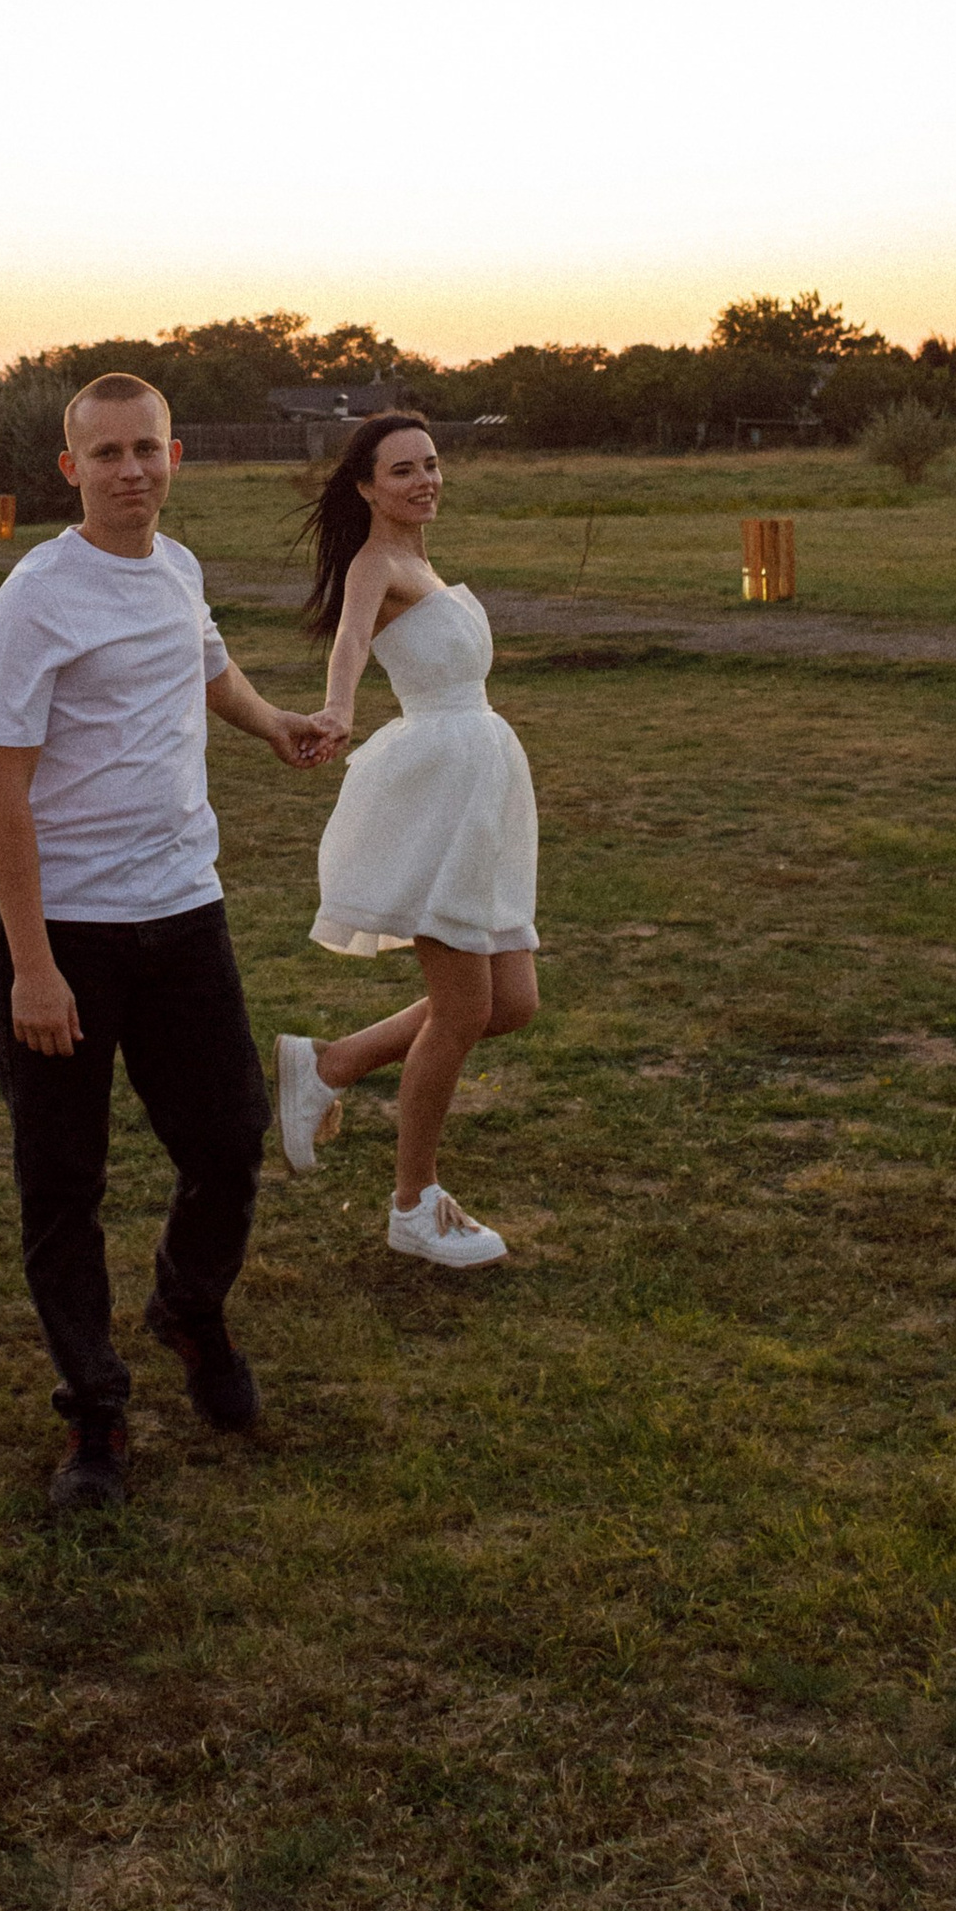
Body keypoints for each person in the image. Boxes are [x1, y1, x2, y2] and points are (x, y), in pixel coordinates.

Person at [0, 374, 334, 1513]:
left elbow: (206, 662)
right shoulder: (36, 598)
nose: (130, 469)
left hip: (184, 913)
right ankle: (95, 1410)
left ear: (176, 456)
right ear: (70, 469)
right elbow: (0, 786)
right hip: (68, 935)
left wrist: (271, 722)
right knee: (63, 1182)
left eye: (147, 449)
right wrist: (34, 965)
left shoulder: (176, 567)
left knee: (229, 1140)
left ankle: (187, 1306)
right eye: (107, 453)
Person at [272, 413, 539, 1270]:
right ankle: (413, 1205)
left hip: (481, 785)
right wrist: (339, 709)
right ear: (366, 487)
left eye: (430, 463)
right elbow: (351, 637)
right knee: (462, 1011)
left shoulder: (423, 562)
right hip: (437, 792)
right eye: (402, 470)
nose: (424, 480)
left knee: (512, 1002)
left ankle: (330, 1063)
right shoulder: (376, 564)